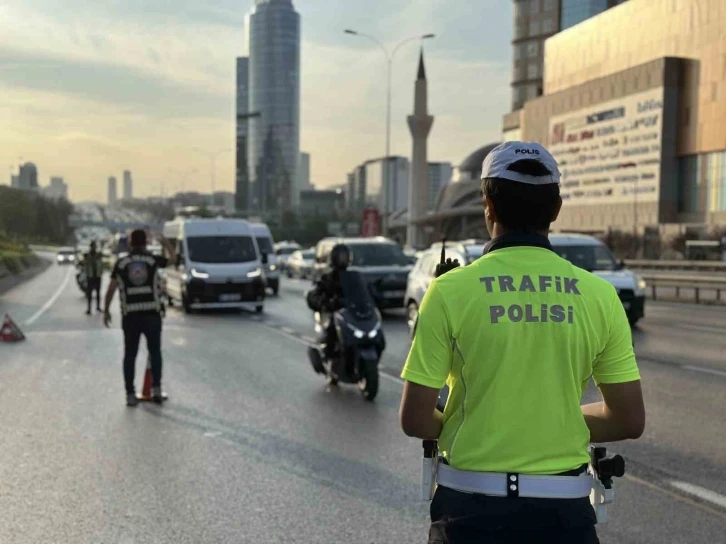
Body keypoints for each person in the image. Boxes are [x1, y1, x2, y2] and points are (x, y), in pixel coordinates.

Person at [398, 141, 646, 543]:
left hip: (470, 513)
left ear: (488, 207)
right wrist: (550, 419)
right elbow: (629, 420)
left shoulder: (448, 291)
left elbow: (415, 418)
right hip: (564, 516)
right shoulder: (600, 296)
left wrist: (490, 421)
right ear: (556, 209)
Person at [103, 229, 169, 407]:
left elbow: (111, 288)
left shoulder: (122, 263)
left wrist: (106, 309)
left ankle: (130, 394)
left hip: (130, 316)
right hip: (152, 314)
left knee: (130, 355)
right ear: (146, 242)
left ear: (130, 243)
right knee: (155, 352)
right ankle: (156, 389)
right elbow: (174, 260)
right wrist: (165, 243)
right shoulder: (153, 260)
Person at [306, 244, 351, 363]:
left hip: (350, 313)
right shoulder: (327, 277)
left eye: (345, 256)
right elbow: (316, 292)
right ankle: (327, 355)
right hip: (333, 312)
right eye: (341, 257)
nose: (343, 259)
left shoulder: (352, 276)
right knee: (332, 329)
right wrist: (323, 302)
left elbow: (361, 290)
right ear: (334, 258)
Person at [83, 241, 104, 315]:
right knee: (89, 293)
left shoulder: (98, 255)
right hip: (90, 276)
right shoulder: (87, 255)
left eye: (95, 246)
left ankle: (98, 307)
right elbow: (85, 263)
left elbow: (101, 263)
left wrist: (101, 272)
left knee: (98, 292)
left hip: (97, 276)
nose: (94, 248)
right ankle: (89, 308)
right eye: (93, 246)